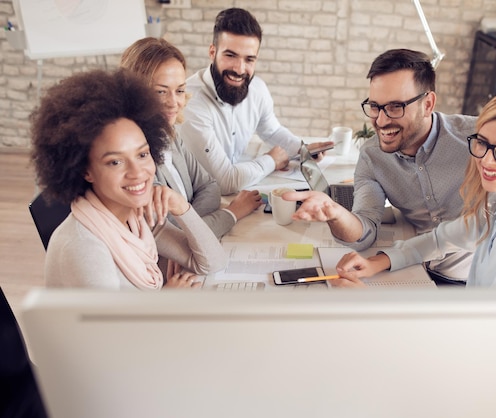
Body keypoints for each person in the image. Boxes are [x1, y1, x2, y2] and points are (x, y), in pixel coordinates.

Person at [284, 49, 496, 286]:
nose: (487, 159)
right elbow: (440, 238)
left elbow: (495, 331)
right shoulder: (495, 208)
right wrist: (368, 255)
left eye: (395, 107)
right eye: (375, 107)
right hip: (429, 278)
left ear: (428, 103)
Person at [30, 69, 226, 290]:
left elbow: (214, 262)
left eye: (142, 154)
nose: (137, 172)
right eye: (115, 161)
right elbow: (115, 326)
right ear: (86, 170)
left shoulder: (135, 216)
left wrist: (180, 206)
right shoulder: (86, 249)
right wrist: (169, 300)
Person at [180, 7, 333, 195]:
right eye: (230, 55)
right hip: (199, 198)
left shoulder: (257, 89)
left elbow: (272, 130)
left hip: (239, 189)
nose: (239, 69)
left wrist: (303, 150)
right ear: (212, 52)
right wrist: (271, 160)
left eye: (249, 59)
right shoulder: (189, 101)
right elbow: (225, 182)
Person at [120, 37, 262, 239]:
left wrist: (187, 220)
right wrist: (232, 212)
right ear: (135, 92)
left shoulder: (169, 135)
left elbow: (210, 186)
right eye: (160, 91)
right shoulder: (133, 158)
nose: (174, 102)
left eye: (179, 90)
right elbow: (176, 238)